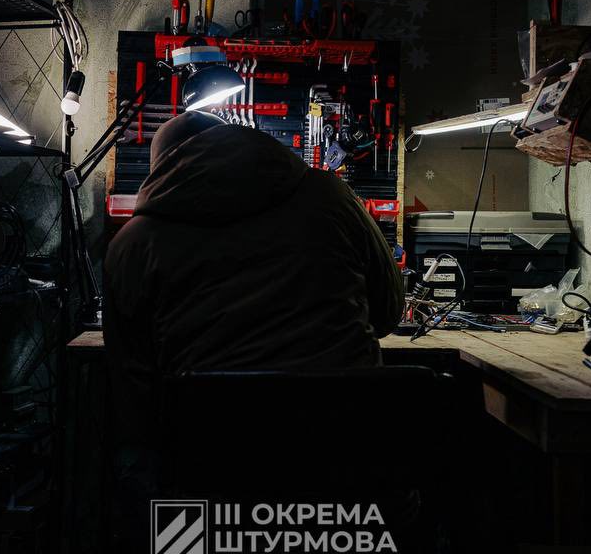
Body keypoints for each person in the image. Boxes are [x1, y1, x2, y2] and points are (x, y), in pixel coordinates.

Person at [102, 110, 405, 442]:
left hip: (210, 449)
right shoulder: (330, 195)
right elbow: (388, 312)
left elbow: (133, 381)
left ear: (161, 169)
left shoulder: (132, 244)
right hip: (348, 438)